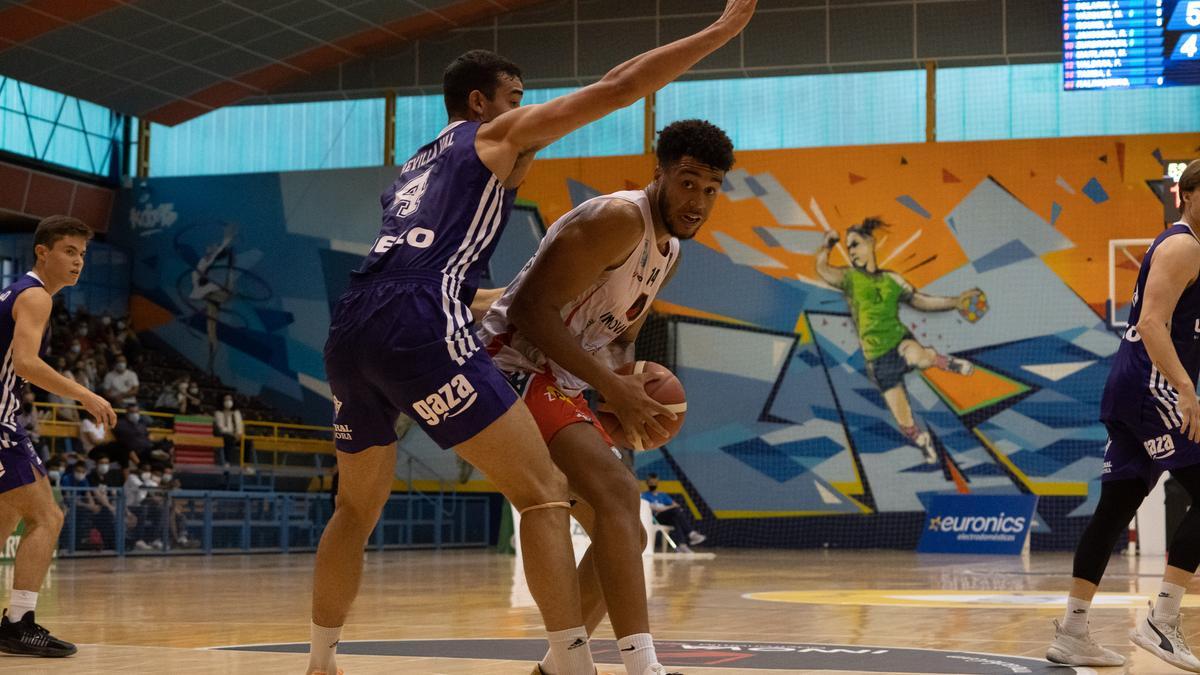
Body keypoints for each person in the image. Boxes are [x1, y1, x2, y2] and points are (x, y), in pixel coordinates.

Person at [309, 5, 757, 674]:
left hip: (355, 323)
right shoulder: (494, 138)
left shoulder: (417, 167)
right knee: (544, 493)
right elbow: (618, 86)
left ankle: (320, 661)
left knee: (355, 506)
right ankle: (580, 664)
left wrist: (615, 383)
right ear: (481, 102)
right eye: (518, 99)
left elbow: (432, 275)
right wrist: (719, 34)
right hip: (449, 333)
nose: (530, 112)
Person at [478, 119, 731, 675]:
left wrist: (627, 387)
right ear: (659, 174)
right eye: (688, 183)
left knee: (628, 527)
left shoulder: (669, 255)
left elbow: (618, 338)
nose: (698, 201)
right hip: (506, 365)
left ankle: (557, 667)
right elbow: (527, 313)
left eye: (711, 190)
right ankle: (642, 666)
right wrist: (610, 386)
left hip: (558, 380)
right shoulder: (616, 219)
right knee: (619, 492)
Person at [1047, 159, 1200, 670]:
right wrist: (1185, 390)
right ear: (1188, 195)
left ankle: (1072, 630)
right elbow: (1153, 324)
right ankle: (1162, 620)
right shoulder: (1184, 246)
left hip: (1131, 388)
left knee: (1114, 508)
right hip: (1151, 389)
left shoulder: (1184, 249)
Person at [0, 215, 116, 657]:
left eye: (83, 254)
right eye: (69, 251)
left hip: (5, 417)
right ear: (42, 252)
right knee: (48, 518)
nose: (78, 261)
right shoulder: (33, 296)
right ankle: (18, 623)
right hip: (0, 422)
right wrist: (85, 394)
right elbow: (27, 363)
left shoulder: (18, 293)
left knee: (7, 518)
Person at [815, 218, 982, 465]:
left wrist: (955, 302)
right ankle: (922, 441)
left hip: (899, 342)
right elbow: (822, 270)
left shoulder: (892, 281)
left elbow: (921, 301)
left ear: (870, 244)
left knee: (917, 356)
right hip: (878, 361)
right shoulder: (850, 279)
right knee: (906, 423)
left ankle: (945, 362)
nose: (851, 251)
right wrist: (827, 246)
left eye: (855, 244)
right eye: (848, 247)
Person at [641, 473, 705, 553]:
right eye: (651, 482)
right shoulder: (644, 496)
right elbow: (657, 509)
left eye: (654, 482)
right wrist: (669, 507)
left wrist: (665, 508)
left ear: (657, 482)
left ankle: (682, 545)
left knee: (675, 518)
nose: (653, 484)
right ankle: (691, 534)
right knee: (676, 511)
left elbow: (676, 504)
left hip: (667, 517)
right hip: (655, 519)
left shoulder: (662, 495)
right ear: (647, 483)